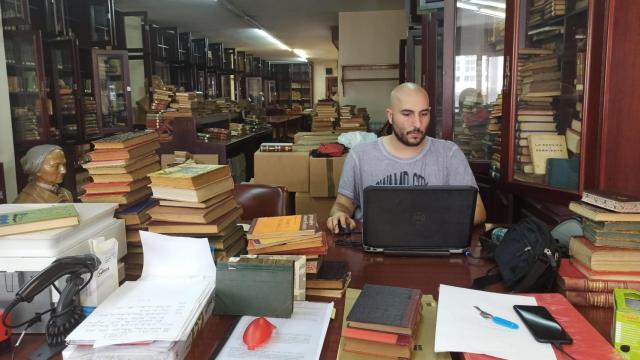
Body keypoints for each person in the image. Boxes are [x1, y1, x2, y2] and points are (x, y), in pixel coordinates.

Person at [326, 82, 486, 233]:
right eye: (407, 114)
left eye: (424, 114)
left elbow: (477, 210)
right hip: (375, 250)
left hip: (433, 245)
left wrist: (434, 224)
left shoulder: (449, 154)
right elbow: (342, 204)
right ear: (390, 116)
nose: (417, 123)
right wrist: (339, 214)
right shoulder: (360, 156)